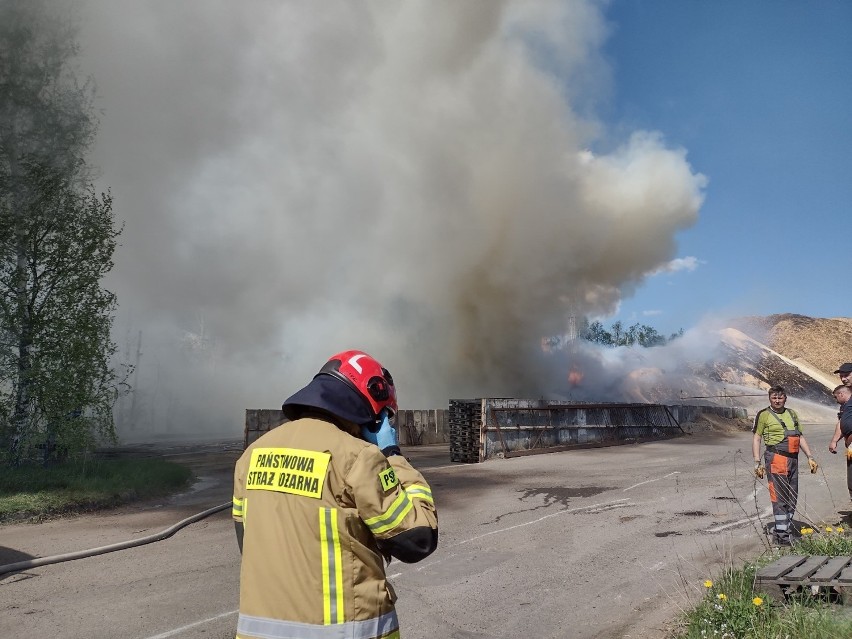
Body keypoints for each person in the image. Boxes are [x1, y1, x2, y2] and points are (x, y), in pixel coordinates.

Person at [232, 350, 438, 639]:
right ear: (373, 412)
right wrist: (392, 455)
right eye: (384, 416)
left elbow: (248, 541)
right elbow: (418, 539)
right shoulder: (359, 457)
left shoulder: (251, 456)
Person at [752, 385, 818, 546]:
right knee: (780, 497)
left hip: (793, 459)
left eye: (780, 397)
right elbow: (757, 438)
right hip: (776, 458)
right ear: (769, 398)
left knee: (792, 496)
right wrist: (756, 462)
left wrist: (810, 457)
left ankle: (784, 531)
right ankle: (782, 537)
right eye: (774, 397)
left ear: (785, 398)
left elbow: (800, 437)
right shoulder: (764, 415)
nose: (777, 400)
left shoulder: (792, 414)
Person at [828, 384, 852, 501]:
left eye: (836, 397)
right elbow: (841, 424)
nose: (836, 400)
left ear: (841, 394)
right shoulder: (844, 407)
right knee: (851, 479)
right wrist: (834, 441)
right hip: (850, 448)